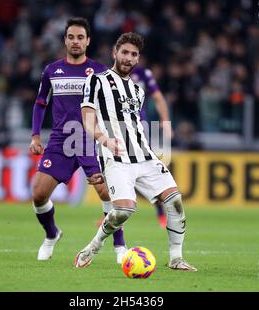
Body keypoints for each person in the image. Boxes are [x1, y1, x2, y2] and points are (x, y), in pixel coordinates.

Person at [74, 32, 196, 271]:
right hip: (116, 157)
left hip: (144, 156)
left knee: (175, 201)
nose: (129, 58)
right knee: (124, 210)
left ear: (138, 59)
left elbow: (135, 126)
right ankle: (93, 246)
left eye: (134, 54)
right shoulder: (96, 81)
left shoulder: (138, 91)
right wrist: (104, 139)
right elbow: (87, 119)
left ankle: (176, 259)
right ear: (114, 53)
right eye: (125, 52)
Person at [29, 18, 127, 263]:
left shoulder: (101, 73)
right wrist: (34, 135)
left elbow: (112, 108)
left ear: (88, 41)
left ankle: (119, 246)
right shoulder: (52, 71)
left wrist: (112, 139)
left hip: (90, 140)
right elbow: (41, 103)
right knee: (39, 194)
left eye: (80, 37)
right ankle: (52, 234)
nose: (75, 42)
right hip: (60, 141)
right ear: (65, 40)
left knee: (106, 191)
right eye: (71, 37)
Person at [130, 63, 171, 228]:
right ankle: (110, 214)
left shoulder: (143, 73)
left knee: (148, 169)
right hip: (115, 127)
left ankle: (161, 213)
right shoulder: (109, 74)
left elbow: (158, 97)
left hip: (139, 126)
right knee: (113, 169)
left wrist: (166, 120)